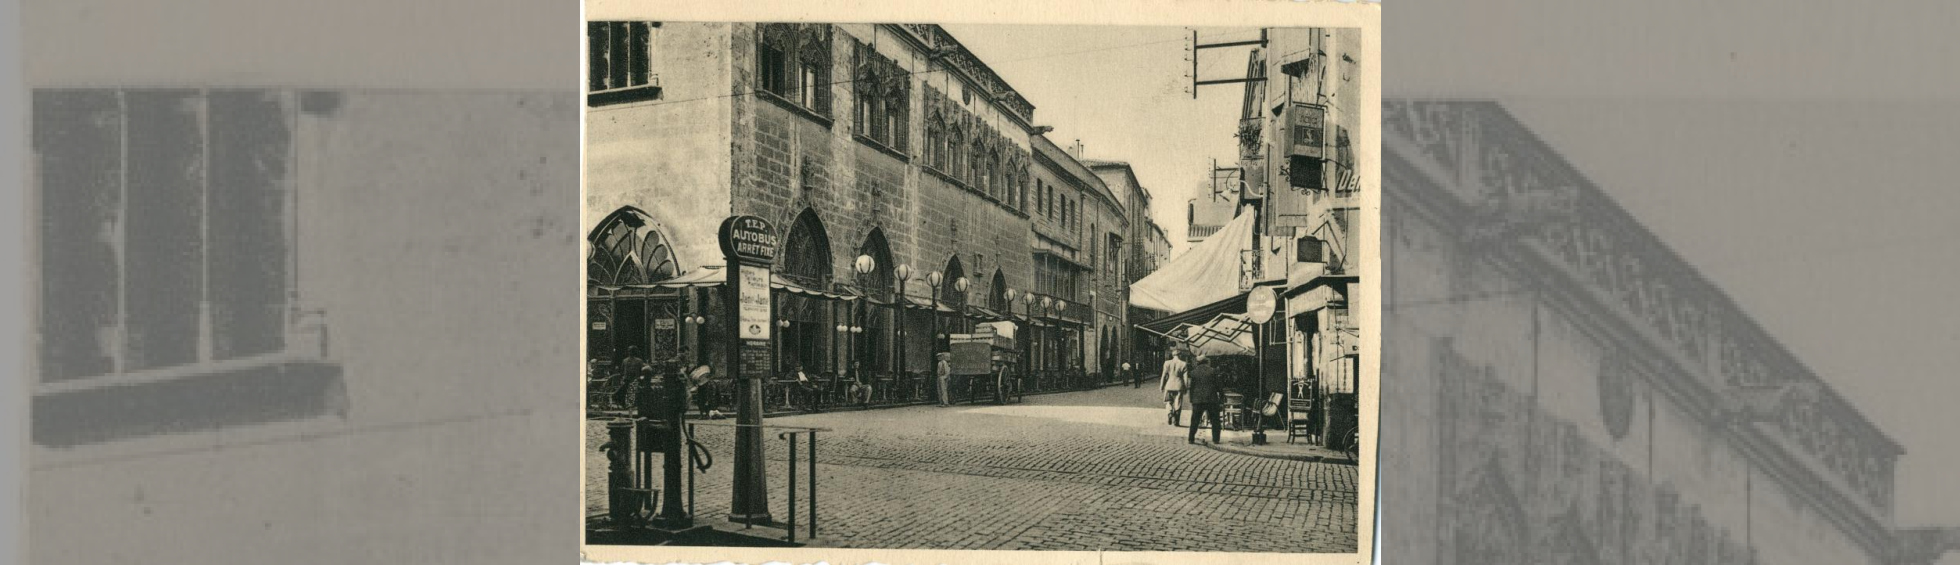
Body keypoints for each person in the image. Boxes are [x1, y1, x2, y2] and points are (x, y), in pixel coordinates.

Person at [1186, 354, 1225, 445]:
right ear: (1207, 361)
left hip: (1197, 400)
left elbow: (1191, 387)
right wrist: (1222, 395)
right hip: (1211, 399)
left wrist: (1192, 399)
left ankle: (1191, 438)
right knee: (1215, 420)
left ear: (1197, 362)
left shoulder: (1194, 372)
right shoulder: (1213, 371)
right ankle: (1216, 439)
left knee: (1195, 420)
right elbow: (1219, 385)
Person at [1159, 351, 1188, 426]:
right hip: (1179, 385)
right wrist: (1186, 387)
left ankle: (1169, 413)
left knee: (1169, 401)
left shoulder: (1167, 363)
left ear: (1173, 355)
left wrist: (1161, 386)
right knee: (1178, 403)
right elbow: (1185, 378)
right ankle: (1176, 421)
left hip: (1169, 385)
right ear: (1180, 355)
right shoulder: (1183, 364)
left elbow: (1163, 376)